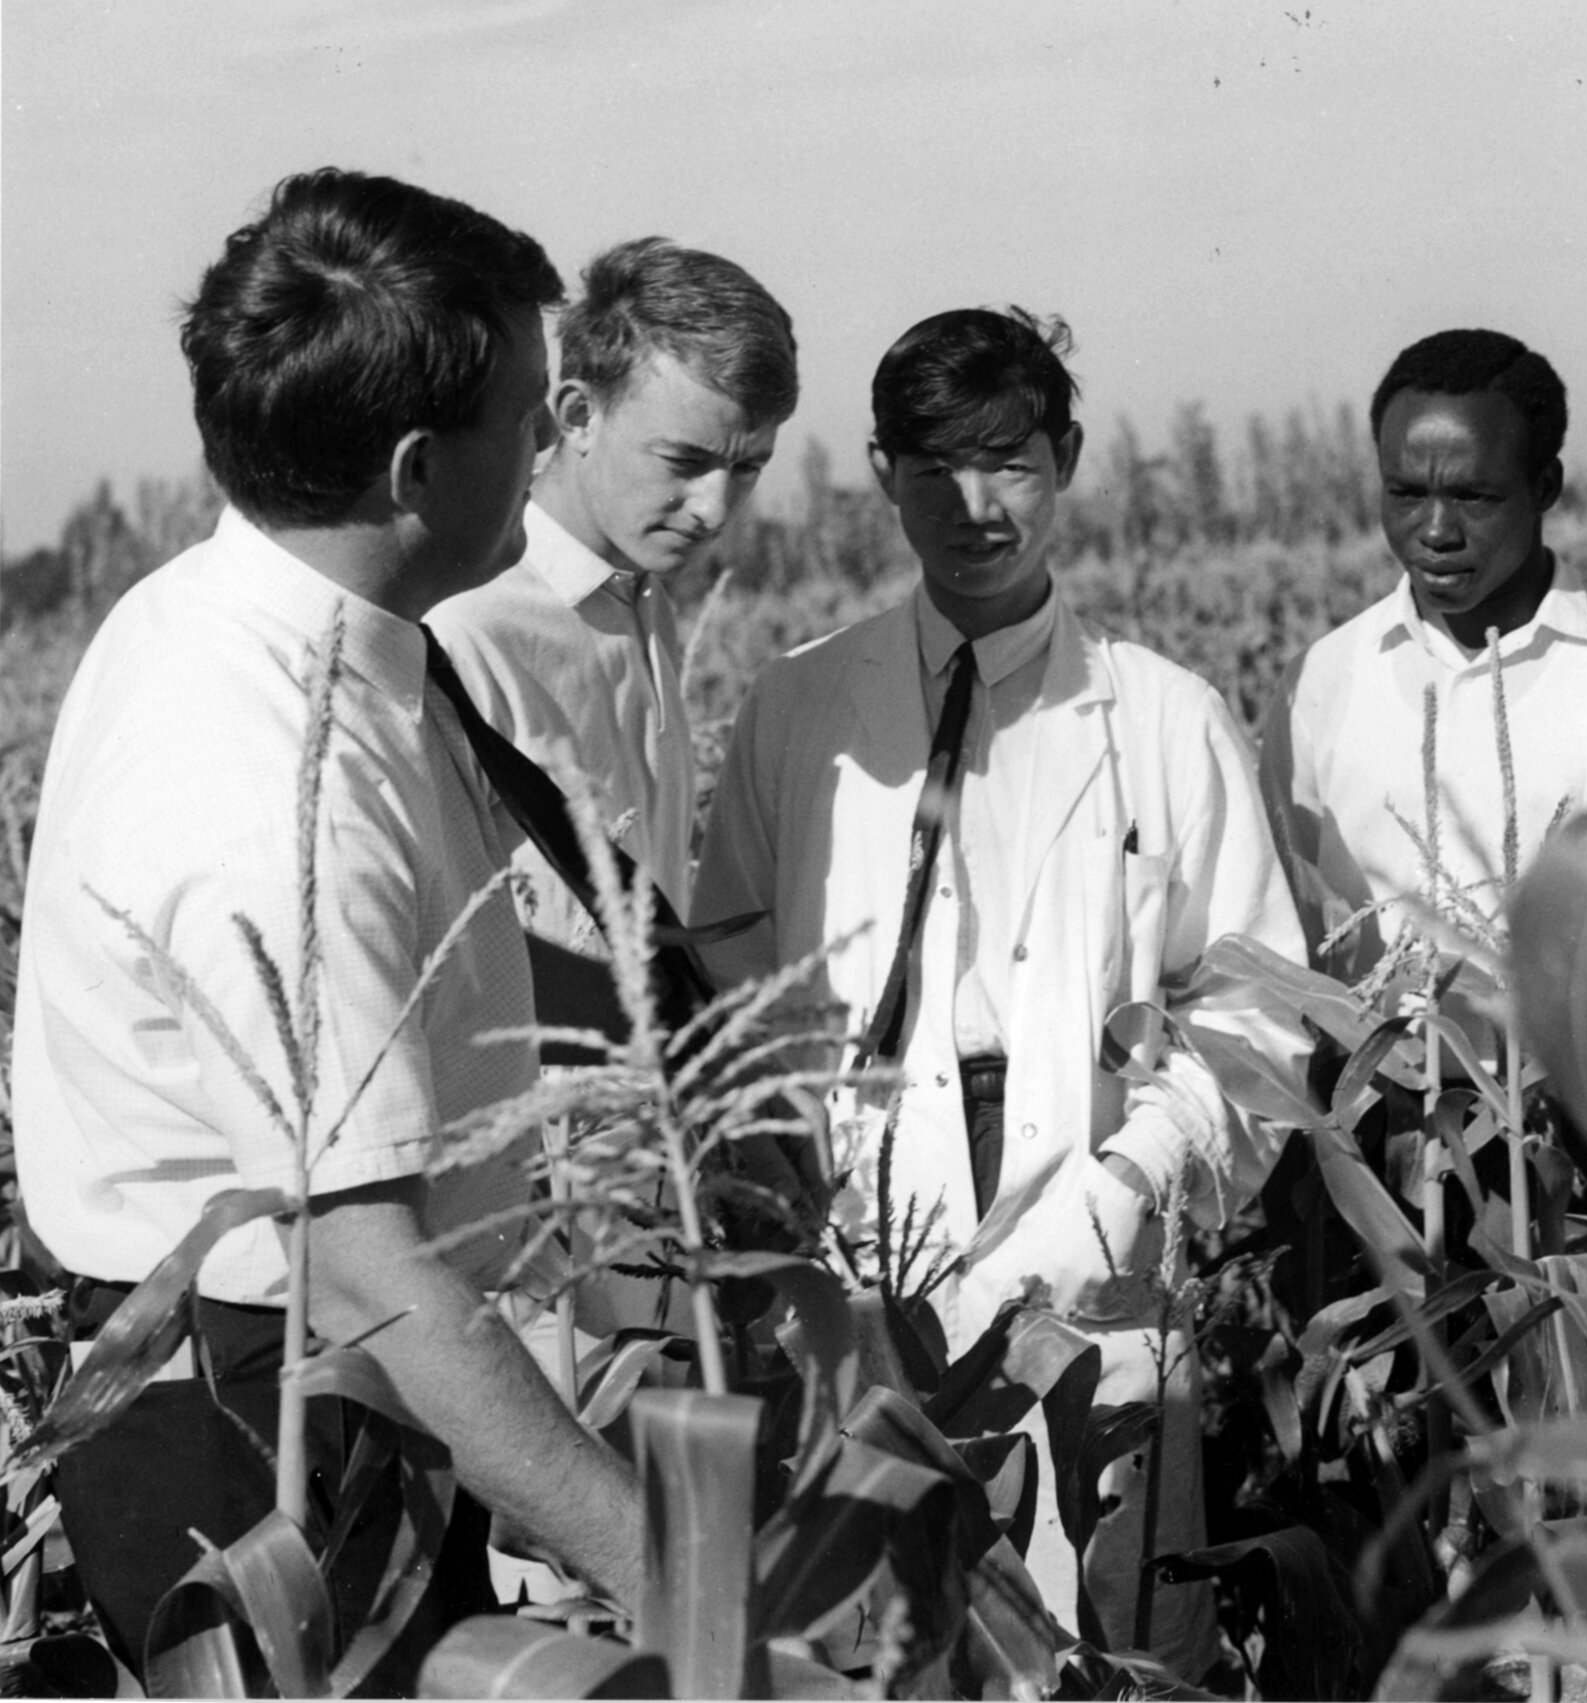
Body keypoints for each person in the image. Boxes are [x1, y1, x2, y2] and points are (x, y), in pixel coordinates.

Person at [9, 169, 641, 1681]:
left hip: (327, 1384)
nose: (556, 446)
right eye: (533, 416)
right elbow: (364, 1267)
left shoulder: (247, 614)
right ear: (421, 470)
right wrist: (665, 1560)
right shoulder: (259, 770)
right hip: (263, 1439)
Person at [688, 307, 1307, 1673]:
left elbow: (1261, 1020)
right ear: (879, 472)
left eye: (1009, 461)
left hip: (1089, 1245)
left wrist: (1134, 1175)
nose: (973, 505)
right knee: (879, 1643)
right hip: (856, 1253)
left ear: (1066, 457)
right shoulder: (794, 711)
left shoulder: (1164, 715)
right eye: (933, 466)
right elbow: (723, 992)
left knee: (1097, 1635)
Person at [429, 237, 796, 968]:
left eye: (747, 468)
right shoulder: (465, 626)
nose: (715, 509)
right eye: (685, 462)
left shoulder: (643, 594)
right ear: (576, 415)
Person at [1260, 329, 1587, 982]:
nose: (1436, 530)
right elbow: (1279, 924)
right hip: (1368, 1076)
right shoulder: (1321, 682)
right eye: (1407, 494)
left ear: (1546, 485)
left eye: (1473, 496)